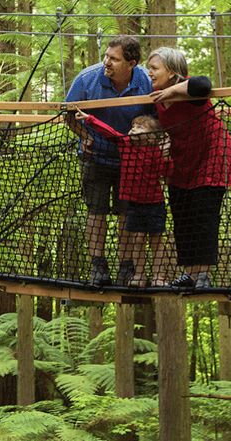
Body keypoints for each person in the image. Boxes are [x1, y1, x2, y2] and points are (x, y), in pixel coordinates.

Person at [146, 47, 231, 289]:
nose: (150, 73)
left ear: (171, 72)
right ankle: (190, 273)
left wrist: (172, 90)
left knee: (203, 214)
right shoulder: (155, 97)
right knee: (182, 214)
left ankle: (203, 275)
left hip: (211, 156)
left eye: (154, 68)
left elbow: (203, 84)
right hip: (183, 160)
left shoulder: (191, 89)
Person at [65, 35, 154, 286]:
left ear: (131, 63)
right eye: (106, 56)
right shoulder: (87, 79)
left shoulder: (146, 82)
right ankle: (98, 266)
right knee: (96, 211)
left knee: (127, 213)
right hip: (96, 155)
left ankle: (126, 267)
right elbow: (67, 114)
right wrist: (84, 136)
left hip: (131, 159)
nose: (106, 62)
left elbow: (155, 119)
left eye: (114, 59)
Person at [74, 110, 171, 287]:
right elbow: (109, 132)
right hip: (134, 203)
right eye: (133, 126)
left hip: (155, 203)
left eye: (140, 127)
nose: (133, 129)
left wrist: (165, 155)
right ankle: (139, 275)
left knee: (156, 240)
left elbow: (165, 173)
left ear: (151, 137)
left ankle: (159, 276)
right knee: (137, 240)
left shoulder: (156, 151)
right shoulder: (126, 144)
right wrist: (90, 119)